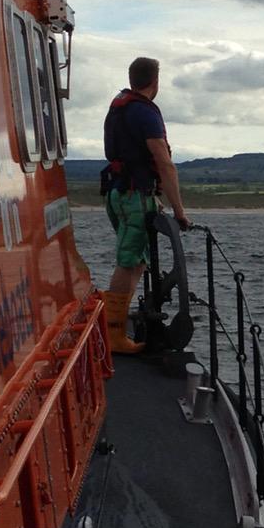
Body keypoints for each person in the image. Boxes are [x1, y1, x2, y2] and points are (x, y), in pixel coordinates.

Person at [101, 56, 192, 353]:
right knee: (128, 263)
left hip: (118, 193)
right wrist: (179, 211)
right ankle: (113, 334)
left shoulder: (119, 108)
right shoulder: (145, 114)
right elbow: (165, 164)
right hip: (135, 197)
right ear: (155, 81)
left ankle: (114, 323)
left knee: (137, 260)